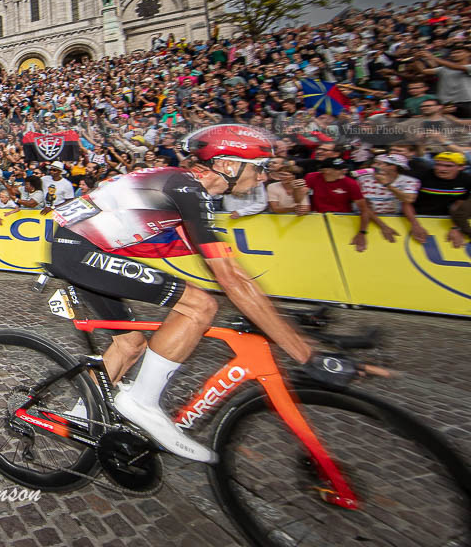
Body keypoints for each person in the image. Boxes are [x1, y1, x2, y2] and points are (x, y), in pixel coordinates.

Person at [46, 124, 359, 463]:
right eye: (259, 168)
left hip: (80, 246)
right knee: (199, 304)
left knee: (130, 343)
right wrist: (305, 355)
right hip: (80, 250)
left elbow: (234, 272)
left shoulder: (183, 185)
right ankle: (141, 401)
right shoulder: (187, 188)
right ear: (226, 165)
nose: (263, 178)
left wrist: (283, 320)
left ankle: (80, 415)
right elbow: (231, 280)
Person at [304, 158, 398, 250]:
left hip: (342, 220)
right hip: (317, 219)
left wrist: (363, 232)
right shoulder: (311, 177)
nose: (344, 171)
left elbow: (364, 209)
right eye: (339, 169)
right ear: (326, 171)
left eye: (344, 168)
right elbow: (300, 198)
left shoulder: (351, 184)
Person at [352, 154, 419, 216]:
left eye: (378, 164)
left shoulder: (409, 181)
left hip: (394, 218)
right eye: (374, 163)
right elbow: (364, 205)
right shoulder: (363, 179)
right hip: (363, 216)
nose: (373, 166)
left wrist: (387, 184)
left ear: (393, 167)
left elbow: (409, 199)